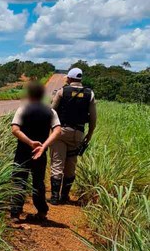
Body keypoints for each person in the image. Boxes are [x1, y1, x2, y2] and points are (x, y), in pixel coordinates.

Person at [10, 81, 62, 222]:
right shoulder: (50, 112)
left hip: (22, 151)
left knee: (18, 181)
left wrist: (30, 142)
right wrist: (43, 146)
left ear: (30, 95)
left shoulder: (23, 110)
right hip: (40, 153)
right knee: (38, 182)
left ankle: (15, 213)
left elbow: (15, 130)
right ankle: (42, 212)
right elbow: (57, 130)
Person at [49, 68, 97, 205]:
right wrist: (89, 134)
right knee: (71, 165)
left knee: (57, 163)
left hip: (61, 132)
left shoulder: (62, 91)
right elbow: (93, 117)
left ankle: (54, 197)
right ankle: (65, 196)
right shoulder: (90, 94)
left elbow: (52, 111)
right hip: (78, 134)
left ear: (69, 79)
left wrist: (50, 132)